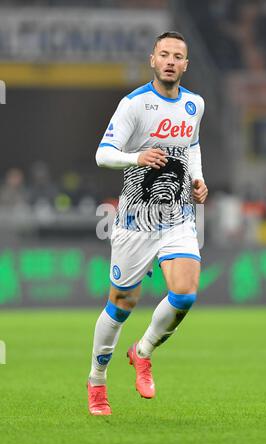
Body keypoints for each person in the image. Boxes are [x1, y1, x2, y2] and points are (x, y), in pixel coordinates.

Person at [87, 31, 208, 415]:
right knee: (122, 305)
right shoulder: (133, 105)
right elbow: (103, 154)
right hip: (135, 222)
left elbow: (191, 145)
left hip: (178, 218)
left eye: (178, 56)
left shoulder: (195, 105)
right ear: (152, 60)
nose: (171, 60)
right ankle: (97, 381)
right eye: (164, 54)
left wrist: (197, 179)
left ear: (186, 65)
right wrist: (136, 158)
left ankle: (142, 351)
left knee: (185, 293)